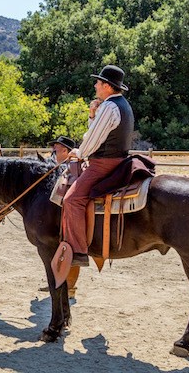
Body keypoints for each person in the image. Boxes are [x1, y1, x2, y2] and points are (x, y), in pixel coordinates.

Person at [63, 65, 134, 257]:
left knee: (71, 200)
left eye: (98, 82)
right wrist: (92, 115)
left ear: (107, 86)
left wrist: (79, 152)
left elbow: (92, 141)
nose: (95, 86)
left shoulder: (110, 107)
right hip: (119, 161)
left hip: (103, 164)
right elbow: (99, 133)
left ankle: (78, 251)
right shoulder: (123, 105)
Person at [41, 135, 83, 297]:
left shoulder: (73, 168)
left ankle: (70, 288)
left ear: (65, 150)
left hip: (67, 217)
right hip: (54, 217)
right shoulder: (55, 166)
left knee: (69, 247)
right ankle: (55, 281)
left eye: (56, 148)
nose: (53, 150)